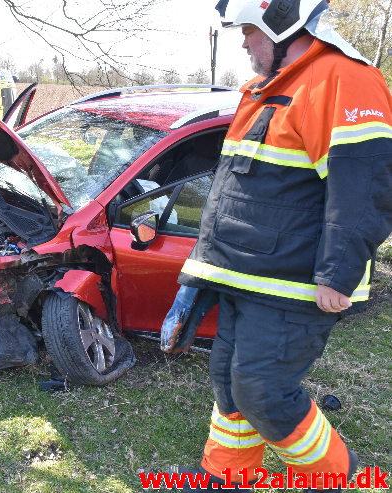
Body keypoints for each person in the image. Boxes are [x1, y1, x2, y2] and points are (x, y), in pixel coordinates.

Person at [173, 0, 391, 490]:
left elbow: (365, 186)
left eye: (249, 30)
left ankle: (337, 479)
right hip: (243, 273)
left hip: (293, 282)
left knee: (263, 392)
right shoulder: (265, 90)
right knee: (229, 383)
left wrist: (338, 273)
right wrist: (199, 270)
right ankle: (226, 475)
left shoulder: (343, 78)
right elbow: (232, 190)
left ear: (280, 22)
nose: (244, 42)